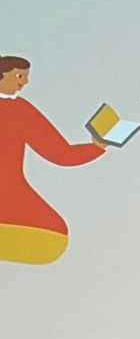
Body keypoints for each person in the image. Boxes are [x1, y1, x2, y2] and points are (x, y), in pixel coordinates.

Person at [0, 55, 105, 265]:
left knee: (53, 235)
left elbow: (58, 152)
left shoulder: (21, 110)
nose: (24, 83)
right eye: (19, 76)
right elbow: (59, 153)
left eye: (26, 77)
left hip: (11, 192)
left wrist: (95, 148)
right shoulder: (20, 110)